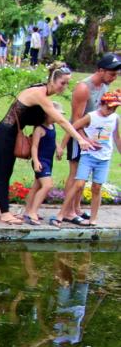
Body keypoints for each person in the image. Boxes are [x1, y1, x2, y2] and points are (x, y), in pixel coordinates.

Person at [0, 64, 94, 225]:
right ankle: (4, 213)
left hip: (13, 133)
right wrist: (80, 139)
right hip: (4, 133)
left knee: (8, 172)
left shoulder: (44, 94)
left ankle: (9, 210)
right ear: (53, 81)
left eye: (67, 84)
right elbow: (60, 120)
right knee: (3, 172)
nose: (64, 87)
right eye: (62, 83)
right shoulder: (40, 94)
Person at [61, 53, 120, 223]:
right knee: (75, 174)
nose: (114, 78)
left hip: (93, 140)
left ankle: (77, 208)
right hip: (78, 137)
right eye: (112, 74)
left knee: (83, 176)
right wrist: (84, 140)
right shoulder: (83, 88)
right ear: (101, 70)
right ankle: (68, 212)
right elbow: (76, 120)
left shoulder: (103, 86)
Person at [53, 90, 120, 228]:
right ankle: (61, 214)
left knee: (97, 187)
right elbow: (72, 128)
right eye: (109, 107)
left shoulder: (115, 118)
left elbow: (116, 137)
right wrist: (62, 146)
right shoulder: (91, 117)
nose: (111, 111)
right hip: (88, 155)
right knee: (79, 184)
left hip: (104, 158)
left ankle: (93, 218)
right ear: (102, 104)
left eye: (114, 108)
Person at [23, 101, 64, 225]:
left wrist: (58, 147)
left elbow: (52, 139)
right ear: (47, 114)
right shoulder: (39, 129)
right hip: (41, 161)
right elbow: (34, 147)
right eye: (56, 114)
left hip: (48, 161)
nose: (58, 118)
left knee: (37, 186)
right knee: (47, 185)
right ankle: (32, 212)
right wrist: (36, 161)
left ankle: (27, 211)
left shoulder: (52, 126)